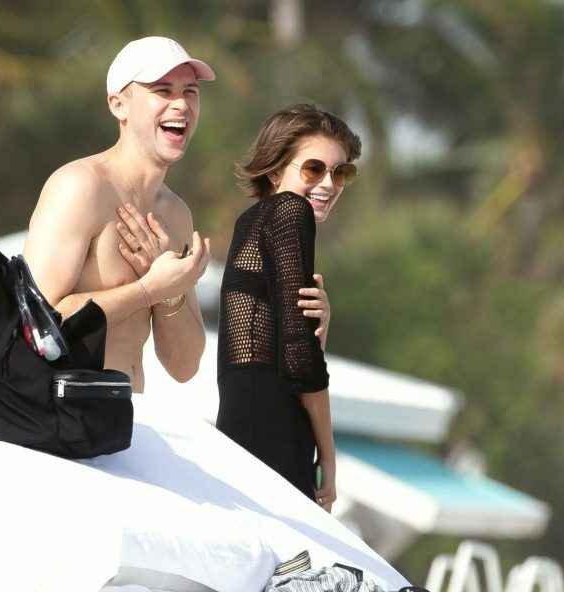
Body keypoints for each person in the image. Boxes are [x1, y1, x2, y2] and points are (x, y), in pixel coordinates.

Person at [23, 36, 213, 390]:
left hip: (124, 420)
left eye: (190, 91)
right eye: (162, 90)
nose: (182, 105)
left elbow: (184, 367)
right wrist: (147, 289)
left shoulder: (176, 215)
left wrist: (169, 293)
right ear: (118, 105)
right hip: (56, 420)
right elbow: (33, 323)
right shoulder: (81, 187)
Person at [216, 103, 361, 513]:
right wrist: (329, 458)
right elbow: (300, 360)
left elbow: (277, 346)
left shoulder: (251, 221)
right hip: (274, 431)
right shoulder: (290, 212)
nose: (329, 184)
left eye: (341, 172)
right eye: (314, 169)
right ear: (276, 171)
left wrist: (321, 324)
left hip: (241, 424)